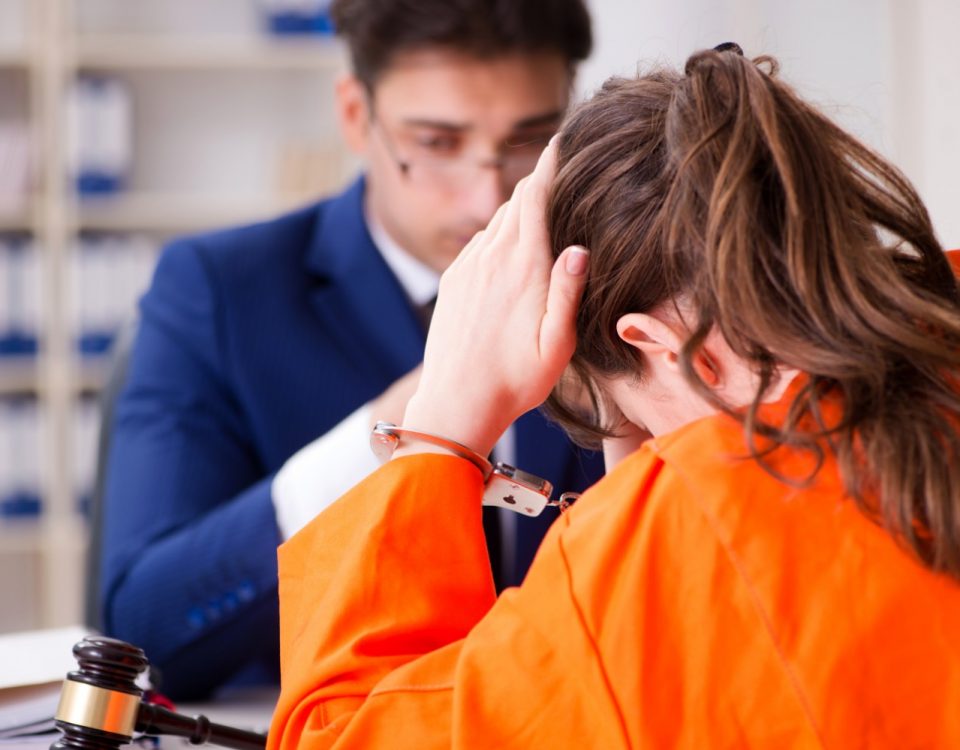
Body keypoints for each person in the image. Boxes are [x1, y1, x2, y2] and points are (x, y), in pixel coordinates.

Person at [266, 45, 960, 748]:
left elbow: (336, 736)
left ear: (657, 344)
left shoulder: (691, 535)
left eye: (624, 408)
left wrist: (441, 427)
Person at [98, 0, 602, 700]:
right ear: (356, 116)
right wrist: (404, 427)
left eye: (530, 140)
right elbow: (144, 628)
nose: (487, 198)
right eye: (437, 143)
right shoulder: (218, 292)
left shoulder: (618, 280)